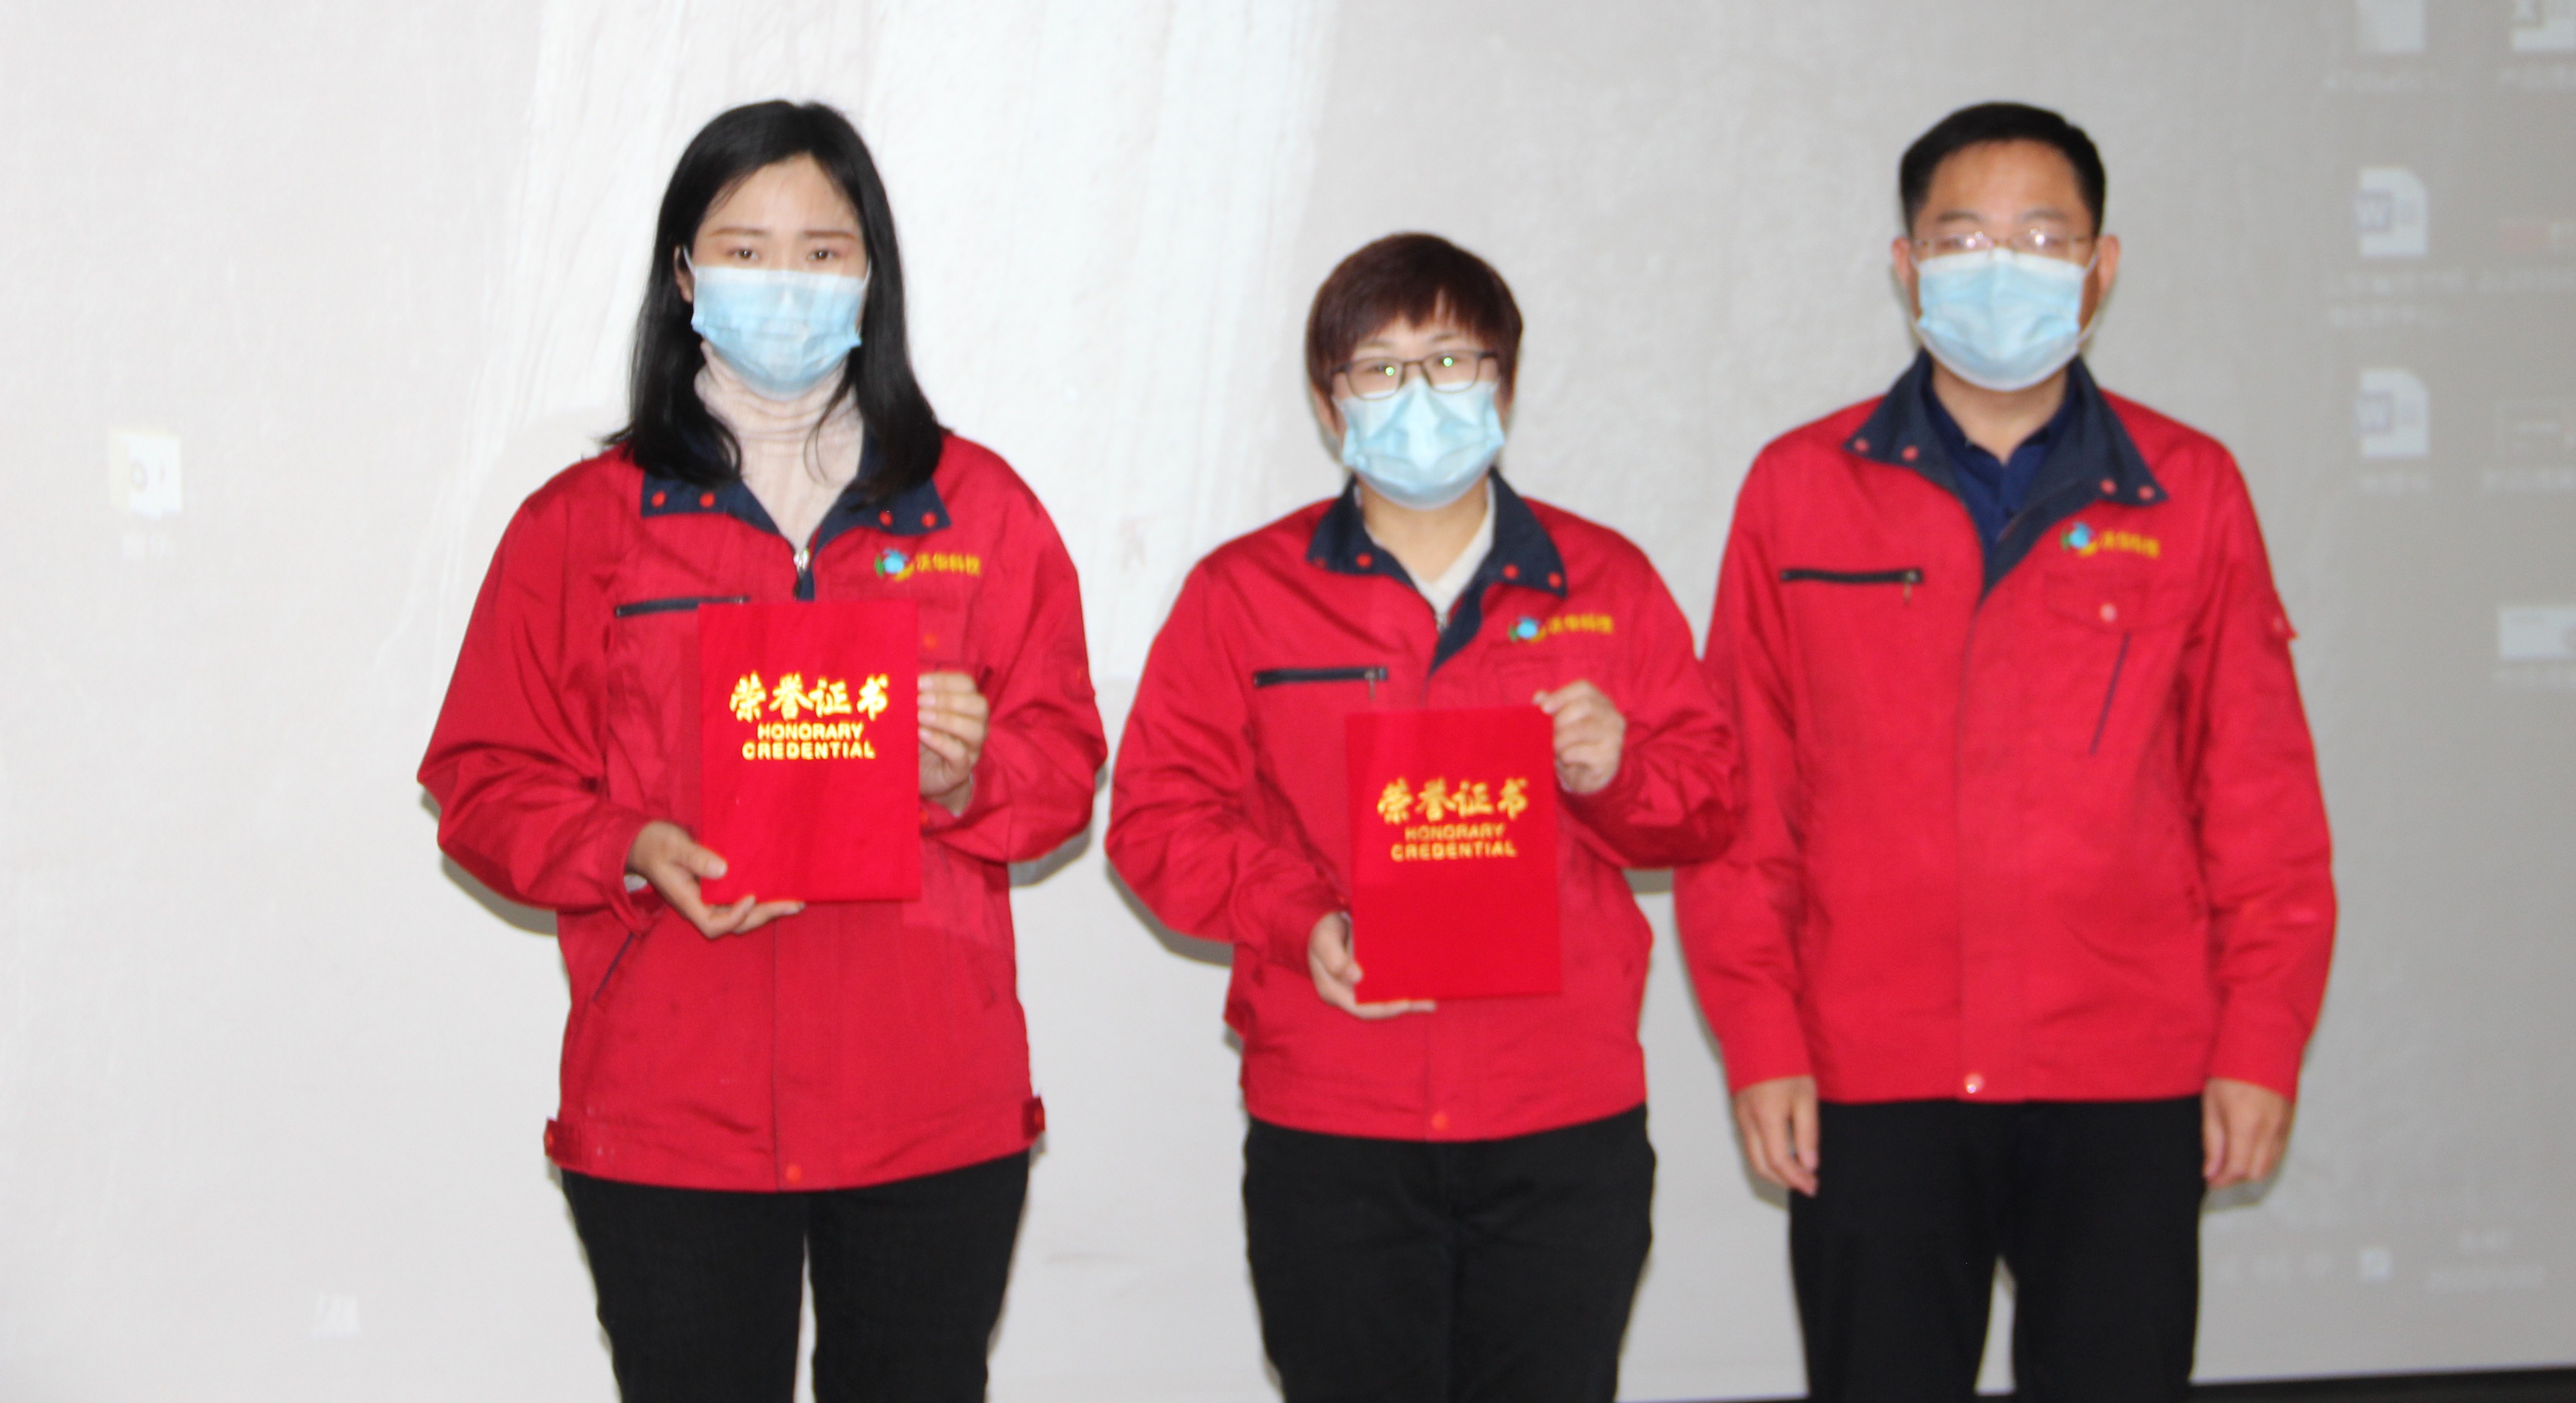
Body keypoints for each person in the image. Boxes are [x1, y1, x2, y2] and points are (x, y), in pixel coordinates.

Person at [419, 101, 1104, 1403]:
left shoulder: (982, 511)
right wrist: (627, 847)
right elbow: (483, 781)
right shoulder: (581, 524)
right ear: (685, 277)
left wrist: (967, 780)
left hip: (926, 1104)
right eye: (744, 249)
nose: (784, 283)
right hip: (675, 1104)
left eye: (822, 252)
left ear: (871, 275)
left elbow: (1066, 759)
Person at [1675, 104, 2336, 1403]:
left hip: (2123, 1069)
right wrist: (1761, 1037)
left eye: (2042, 238)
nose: (2002, 268)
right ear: (1907, 265)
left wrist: (2260, 1041)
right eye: (1963, 239)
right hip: (1873, 1072)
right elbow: (1743, 804)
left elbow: (2257, 797)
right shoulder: (1799, 490)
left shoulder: (2190, 490)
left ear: (2102, 267)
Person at [1105, 233, 1737, 1403]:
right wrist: (1301, 921)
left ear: (1506, 381)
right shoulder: (1244, 594)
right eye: (1381, 369)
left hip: (1561, 1119)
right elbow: (1155, 819)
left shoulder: (1608, 582)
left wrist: (1618, 772)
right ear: (1327, 401)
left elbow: (1709, 803)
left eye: (1451, 360)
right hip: (1338, 1116)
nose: (1419, 394)